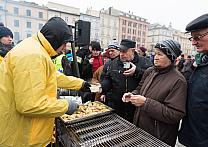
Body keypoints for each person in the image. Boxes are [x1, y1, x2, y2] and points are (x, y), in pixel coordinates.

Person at [0, 17, 91, 146]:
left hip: (29, 133)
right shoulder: (32, 56)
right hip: (23, 138)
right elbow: (30, 105)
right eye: (64, 43)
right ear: (55, 39)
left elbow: (52, 76)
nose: (64, 48)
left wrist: (80, 84)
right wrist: (66, 105)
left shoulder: (36, 49)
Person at [122, 40, 187, 146]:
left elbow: (174, 114)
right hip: (140, 129)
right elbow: (140, 88)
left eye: (160, 54)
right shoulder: (150, 71)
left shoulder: (179, 81)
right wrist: (132, 94)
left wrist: (145, 103)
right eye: (155, 53)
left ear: (171, 57)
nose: (155, 57)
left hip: (159, 137)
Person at [178, 12, 208, 146]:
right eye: (192, 38)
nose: (194, 43)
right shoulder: (201, 61)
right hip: (192, 137)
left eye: (198, 37)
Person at [101, 39, 152, 122]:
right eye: (120, 51)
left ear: (133, 50)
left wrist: (137, 72)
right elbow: (108, 78)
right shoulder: (113, 63)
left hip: (135, 108)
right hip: (117, 106)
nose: (121, 54)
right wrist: (101, 87)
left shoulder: (145, 62)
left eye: (124, 51)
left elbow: (151, 78)